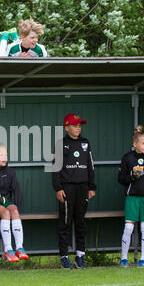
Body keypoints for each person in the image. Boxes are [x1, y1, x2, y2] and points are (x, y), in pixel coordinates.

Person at [52, 114, 96, 269]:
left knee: (80, 222)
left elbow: (90, 165)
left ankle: (80, 256)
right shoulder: (61, 144)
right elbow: (55, 168)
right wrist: (58, 188)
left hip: (83, 188)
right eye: (75, 125)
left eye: (79, 125)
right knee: (65, 223)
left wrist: (92, 186)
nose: (78, 128)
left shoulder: (85, 143)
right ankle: (64, 257)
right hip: (67, 188)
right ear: (67, 127)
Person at [117, 126, 144, 268]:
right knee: (129, 228)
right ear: (135, 144)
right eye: (143, 143)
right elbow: (120, 178)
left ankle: (143, 259)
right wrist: (132, 177)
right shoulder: (127, 158)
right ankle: (124, 259)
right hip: (132, 197)